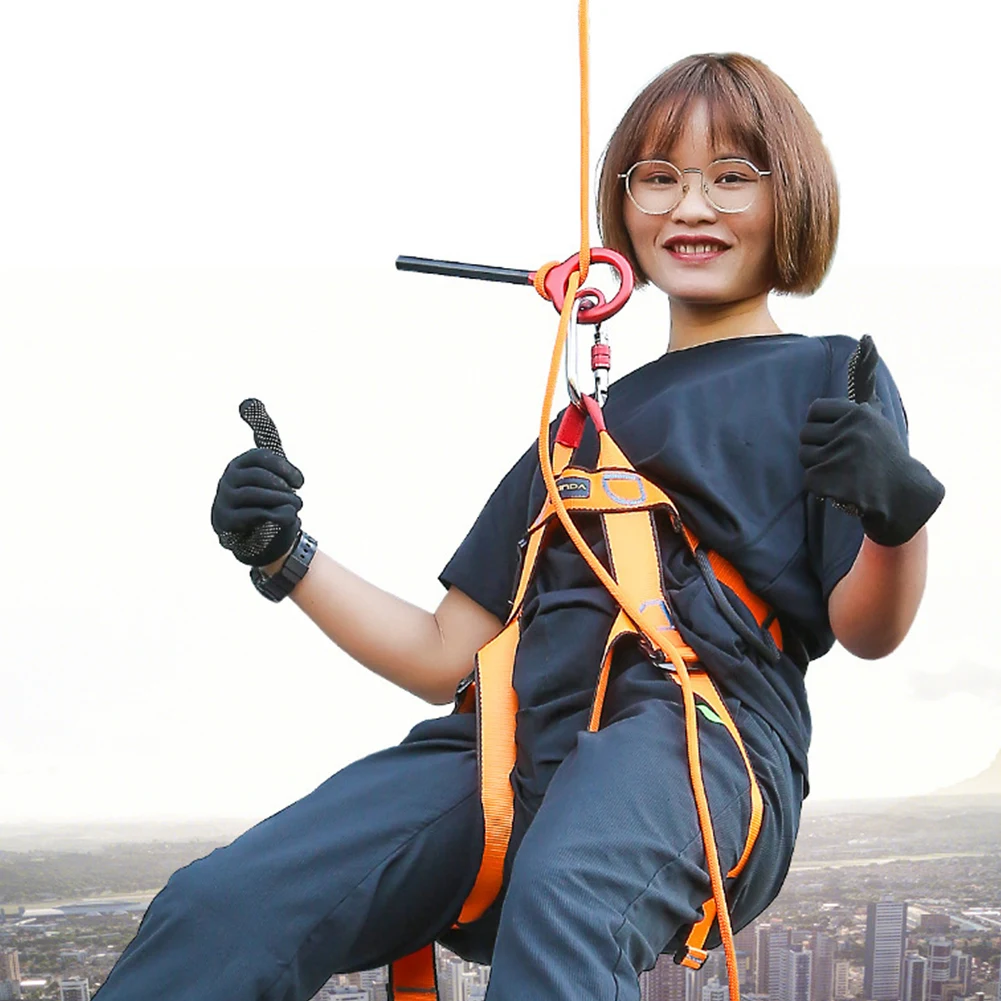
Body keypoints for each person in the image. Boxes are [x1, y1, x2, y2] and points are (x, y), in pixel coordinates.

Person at [94, 53, 944, 1001]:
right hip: (513, 743)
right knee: (225, 905)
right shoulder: (570, 435)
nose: (691, 205)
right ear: (622, 207)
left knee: (571, 894)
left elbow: (867, 626)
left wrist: (895, 516)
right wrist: (284, 553)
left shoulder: (829, 377)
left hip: (695, 740)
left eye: (731, 176)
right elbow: (442, 650)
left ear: (791, 198)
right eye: (658, 176)